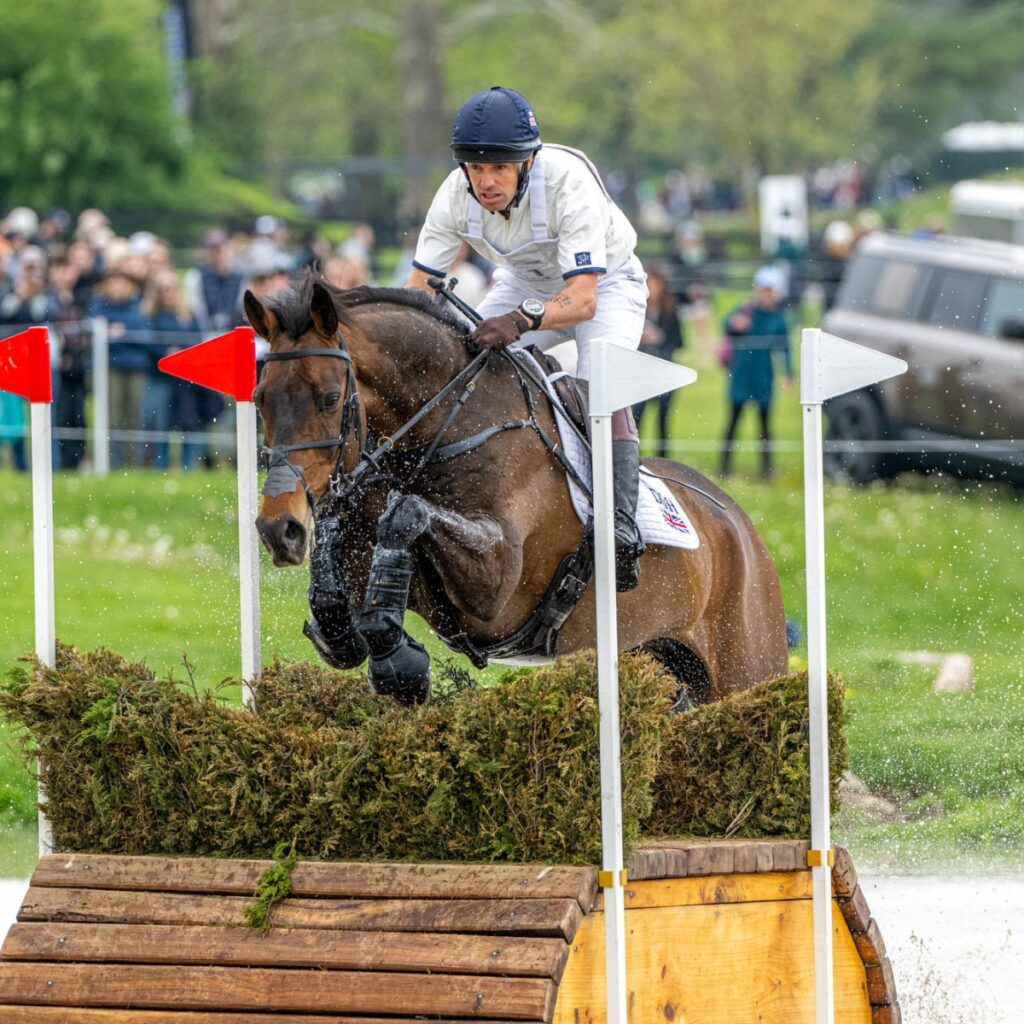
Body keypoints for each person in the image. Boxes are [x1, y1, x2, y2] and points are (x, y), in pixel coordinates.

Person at [403, 85, 648, 590]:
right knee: (467, 362)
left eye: (499, 168)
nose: (486, 182)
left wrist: (519, 321)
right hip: (524, 282)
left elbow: (583, 300)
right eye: (475, 168)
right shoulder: (454, 195)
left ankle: (621, 525)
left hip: (606, 285)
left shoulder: (567, 183)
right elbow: (418, 291)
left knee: (600, 381)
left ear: (528, 163)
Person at [719, 266, 794, 480]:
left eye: (770, 290)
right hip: (741, 372)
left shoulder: (778, 318)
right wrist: (735, 325)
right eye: (763, 289)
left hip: (763, 375)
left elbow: (785, 347)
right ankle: (724, 466)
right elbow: (725, 326)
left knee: (765, 424)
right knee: (733, 420)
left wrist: (788, 374)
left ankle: (766, 469)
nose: (766, 294)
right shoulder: (745, 310)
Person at [633, 264, 683, 459]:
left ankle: (663, 459)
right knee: (637, 417)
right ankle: (634, 458)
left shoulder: (670, 310)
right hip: (640, 373)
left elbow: (679, 341)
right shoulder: (636, 309)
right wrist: (641, 338)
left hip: (663, 371)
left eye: (654, 282)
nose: (651, 287)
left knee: (663, 419)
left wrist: (659, 340)